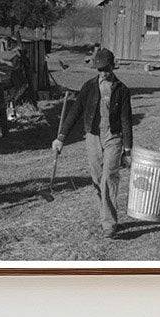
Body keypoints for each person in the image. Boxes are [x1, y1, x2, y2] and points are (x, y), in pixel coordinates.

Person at [52, 48, 132, 238]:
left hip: (113, 136)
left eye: (106, 69)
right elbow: (75, 112)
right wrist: (61, 137)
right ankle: (105, 211)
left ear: (112, 67)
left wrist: (127, 148)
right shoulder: (88, 87)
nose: (103, 73)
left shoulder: (122, 90)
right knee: (97, 178)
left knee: (109, 177)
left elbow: (126, 120)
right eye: (99, 69)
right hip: (93, 136)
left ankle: (109, 223)